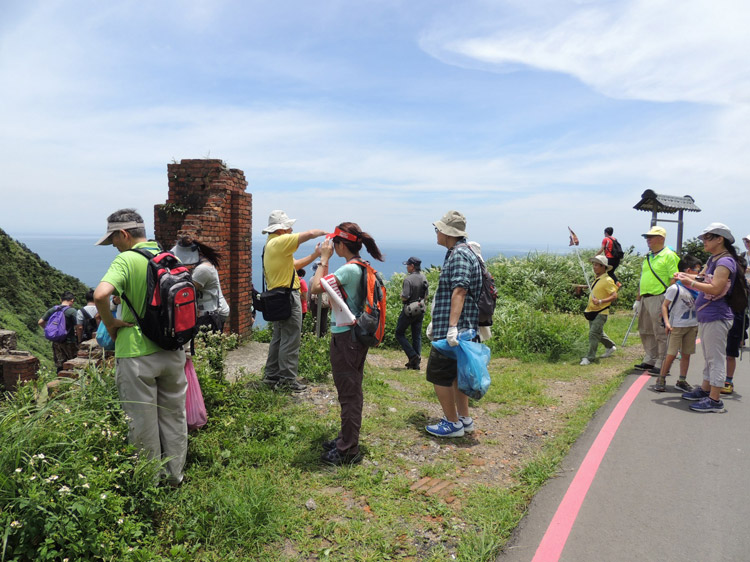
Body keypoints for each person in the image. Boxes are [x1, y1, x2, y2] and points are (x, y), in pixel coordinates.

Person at [92, 209, 188, 486]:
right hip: (172, 348)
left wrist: (110, 323)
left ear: (124, 234)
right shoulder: (170, 257)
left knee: (141, 421)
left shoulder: (127, 259)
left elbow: (100, 295)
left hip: (136, 354)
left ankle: (150, 482)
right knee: (173, 416)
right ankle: (175, 477)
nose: (114, 247)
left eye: (113, 240)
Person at [310, 222, 385, 465]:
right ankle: (346, 438)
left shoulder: (350, 270)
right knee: (349, 389)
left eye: (335, 243)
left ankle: (348, 449)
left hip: (346, 338)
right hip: (352, 337)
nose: (332, 246)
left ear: (342, 244)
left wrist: (323, 259)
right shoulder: (360, 267)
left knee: (349, 394)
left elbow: (314, 287)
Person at [424, 210, 483, 438]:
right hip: (464, 327)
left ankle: (452, 423)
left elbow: (460, 289)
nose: (436, 232)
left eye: (438, 229)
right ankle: (464, 419)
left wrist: (451, 328)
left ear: (447, 232)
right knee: (458, 374)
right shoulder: (465, 252)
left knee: (439, 374)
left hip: (456, 329)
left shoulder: (459, 255)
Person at [260, 210, 326, 391]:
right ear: (282, 228)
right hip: (288, 296)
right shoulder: (281, 241)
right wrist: (328, 233)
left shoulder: (271, 244)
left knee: (279, 337)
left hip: (277, 296)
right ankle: (287, 380)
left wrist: (314, 255)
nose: (291, 230)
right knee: (291, 339)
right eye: (289, 226)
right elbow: (310, 234)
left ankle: (271, 376)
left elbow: (294, 265)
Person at [677, 223, 738, 412]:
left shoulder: (724, 262)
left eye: (707, 237)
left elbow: (716, 288)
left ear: (720, 239)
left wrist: (690, 282)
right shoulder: (714, 258)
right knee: (710, 356)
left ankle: (714, 400)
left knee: (715, 358)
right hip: (709, 316)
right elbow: (704, 280)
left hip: (716, 316)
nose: (703, 241)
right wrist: (689, 277)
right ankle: (705, 389)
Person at [632, 226, 680, 374]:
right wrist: (638, 299)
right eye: (647, 237)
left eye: (651, 237)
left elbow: (674, 278)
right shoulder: (648, 256)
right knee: (645, 330)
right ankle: (650, 358)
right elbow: (643, 279)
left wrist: (668, 300)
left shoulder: (669, 255)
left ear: (661, 238)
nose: (648, 240)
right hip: (646, 298)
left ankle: (662, 360)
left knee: (660, 331)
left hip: (660, 297)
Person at [653, 255, 701, 392]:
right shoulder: (675, 288)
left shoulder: (698, 288)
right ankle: (661, 377)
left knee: (686, 354)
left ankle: (682, 380)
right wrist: (667, 323)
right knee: (671, 354)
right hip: (677, 325)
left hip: (692, 325)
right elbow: (664, 306)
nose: (698, 273)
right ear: (687, 271)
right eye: (696, 270)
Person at [171, 237, 229, 333]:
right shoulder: (204, 264)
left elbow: (189, 290)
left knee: (208, 343)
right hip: (212, 310)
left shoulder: (203, 269)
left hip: (210, 314)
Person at [579, 256, 618, 366]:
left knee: (593, 334)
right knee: (598, 333)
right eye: (593, 265)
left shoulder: (608, 280)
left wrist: (600, 301)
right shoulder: (598, 279)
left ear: (603, 267)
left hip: (601, 312)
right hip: (592, 311)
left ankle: (590, 358)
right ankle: (610, 346)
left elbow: (614, 295)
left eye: (596, 265)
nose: (594, 267)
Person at [395, 257, 429, 370]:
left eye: (408, 265)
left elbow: (405, 297)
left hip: (409, 310)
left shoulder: (408, 280)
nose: (407, 267)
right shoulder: (423, 277)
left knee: (399, 333)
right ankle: (416, 363)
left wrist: (401, 297)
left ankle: (412, 355)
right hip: (420, 308)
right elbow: (426, 295)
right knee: (416, 335)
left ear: (412, 266)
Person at [38, 291, 79, 372]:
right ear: (72, 300)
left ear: (61, 299)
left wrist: (49, 330)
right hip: (69, 341)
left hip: (56, 341)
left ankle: (59, 381)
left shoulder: (53, 309)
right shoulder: (72, 311)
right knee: (72, 364)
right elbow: (79, 326)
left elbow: (40, 322)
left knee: (60, 365)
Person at [308, 261, 331, 336]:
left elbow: (310, 293)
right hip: (325, 303)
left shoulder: (312, 279)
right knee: (324, 320)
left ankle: (316, 336)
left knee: (316, 320)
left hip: (315, 303)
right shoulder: (326, 279)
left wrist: (308, 304)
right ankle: (323, 335)